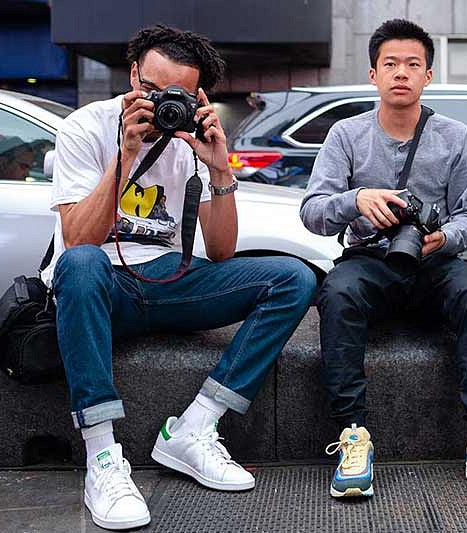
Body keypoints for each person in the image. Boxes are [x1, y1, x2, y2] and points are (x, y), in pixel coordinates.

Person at [43, 25, 316, 530]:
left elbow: (221, 251)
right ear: (132, 75)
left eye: (175, 95)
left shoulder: (191, 138)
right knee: (78, 263)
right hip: (101, 285)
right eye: (149, 89)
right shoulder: (85, 127)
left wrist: (218, 168)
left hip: (169, 280)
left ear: (196, 97)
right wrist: (123, 155)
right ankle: (102, 458)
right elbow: (80, 240)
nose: (158, 103)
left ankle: (194, 427)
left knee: (294, 278)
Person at [300, 19, 467, 499]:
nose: (401, 73)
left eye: (412, 64)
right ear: (373, 74)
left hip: (432, 261)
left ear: (428, 76)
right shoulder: (345, 135)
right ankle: (352, 434)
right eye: (390, 64)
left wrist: (445, 239)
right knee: (336, 294)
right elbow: (312, 213)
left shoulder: (454, 135)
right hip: (367, 258)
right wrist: (356, 201)